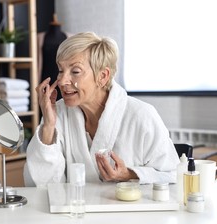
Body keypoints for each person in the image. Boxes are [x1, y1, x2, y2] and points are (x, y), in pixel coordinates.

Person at [24, 32, 179, 187]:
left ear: (103, 76)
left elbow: (173, 175)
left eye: (75, 71)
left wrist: (129, 174)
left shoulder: (141, 115)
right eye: (60, 70)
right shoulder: (57, 113)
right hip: (75, 209)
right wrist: (49, 127)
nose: (63, 81)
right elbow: (43, 185)